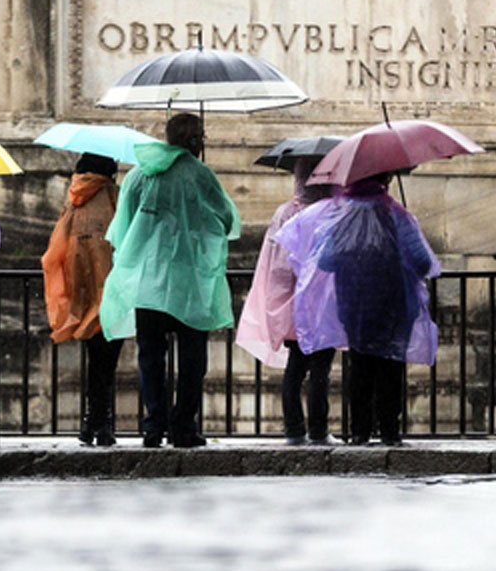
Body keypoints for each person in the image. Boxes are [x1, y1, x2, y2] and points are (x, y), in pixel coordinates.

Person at [98, 112, 241, 448]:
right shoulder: (201, 175)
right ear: (196, 140)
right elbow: (225, 220)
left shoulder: (139, 175)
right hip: (189, 281)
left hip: (148, 282)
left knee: (150, 356)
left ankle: (153, 425)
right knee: (192, 358)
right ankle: (184, 426)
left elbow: (123, 227)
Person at [276, 171, 440, 446]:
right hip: (393, 304)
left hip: (354, 304)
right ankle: (389, 430)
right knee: (391, 365)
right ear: (386, 181)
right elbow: (423, 263)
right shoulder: (398, 215)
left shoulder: (340, 218)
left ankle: (360, 431)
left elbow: (326, 261)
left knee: (360, 366)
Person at [237, 157, 336, 444]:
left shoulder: (285, 213)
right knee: (320, 370)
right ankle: (318, 430)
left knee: (296, 367)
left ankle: (294, 428)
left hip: (292, 304)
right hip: (323, 303)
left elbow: (277, 264)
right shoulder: (331, 212)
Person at [41, 152, 123, 447]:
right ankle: (103, 425)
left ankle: (91, 423)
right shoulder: (114, 197)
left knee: (95, 359)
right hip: (111, 289)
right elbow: (125, 238)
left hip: (82, 290)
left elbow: (56, 248)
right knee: (107, 361)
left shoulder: (74, 198)